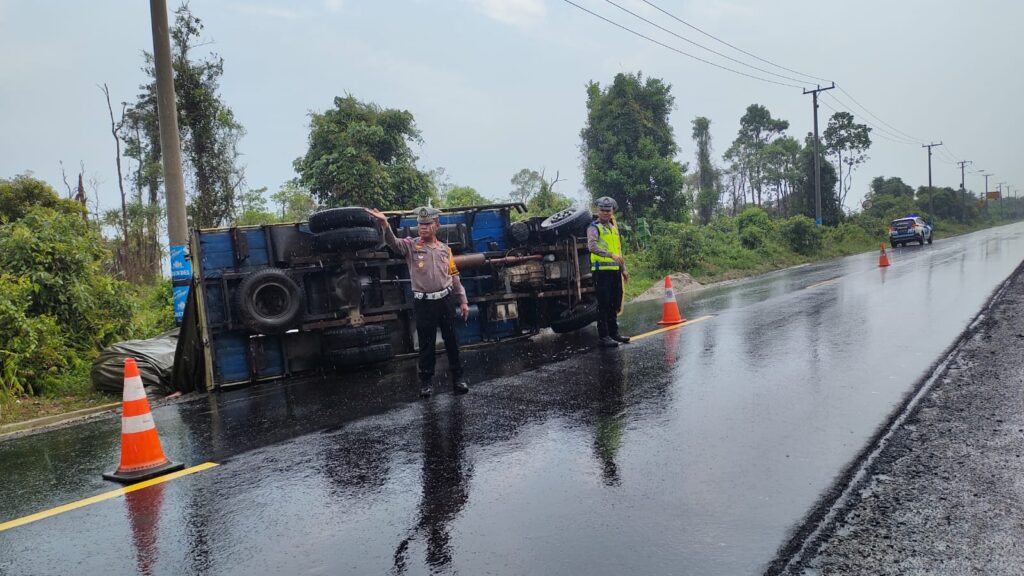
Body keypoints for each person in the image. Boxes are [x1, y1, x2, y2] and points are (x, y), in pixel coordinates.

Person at [368, 207, 470, 397]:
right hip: (424, 303)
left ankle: (458, 379)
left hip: (446, 300)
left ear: (436, 226)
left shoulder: (445, 250)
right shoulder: (411, 246)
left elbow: (454, 276)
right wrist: (385, 225)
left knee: (452, 342)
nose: (422, 227)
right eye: (420, 224)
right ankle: (426, 383)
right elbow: (394, 244)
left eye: (427, 224)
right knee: (426, 344)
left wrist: (462, 300)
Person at [587, 196, 630, 348]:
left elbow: (617, 250)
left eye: (608, 210)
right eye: (602, 210)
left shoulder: (613, 229)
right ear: (597, 211)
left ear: (612, 212)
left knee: (614, 303)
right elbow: (592, 247)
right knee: (603, 305)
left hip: (614, 271)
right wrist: (610, 255)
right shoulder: (594, 227)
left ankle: (614, 333)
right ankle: (604, 336)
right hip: (601, 271)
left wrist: (623, 269)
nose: (605, 213)